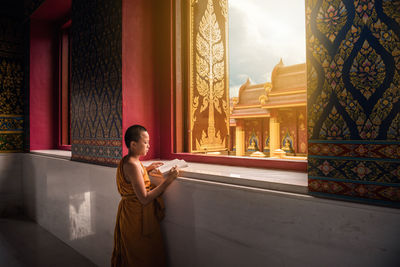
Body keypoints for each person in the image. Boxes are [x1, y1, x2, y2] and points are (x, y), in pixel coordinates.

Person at [112, 125, 179, 267]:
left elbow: (133, 179)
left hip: (131, 215)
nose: (149, 146)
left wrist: (147, 169)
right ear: (133, 144)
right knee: (142, 258)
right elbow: (144, 198)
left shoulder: (129, 161)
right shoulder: (132, 165)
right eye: (145, 142)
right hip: (136, 220)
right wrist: (169, 180)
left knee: (145, 255)